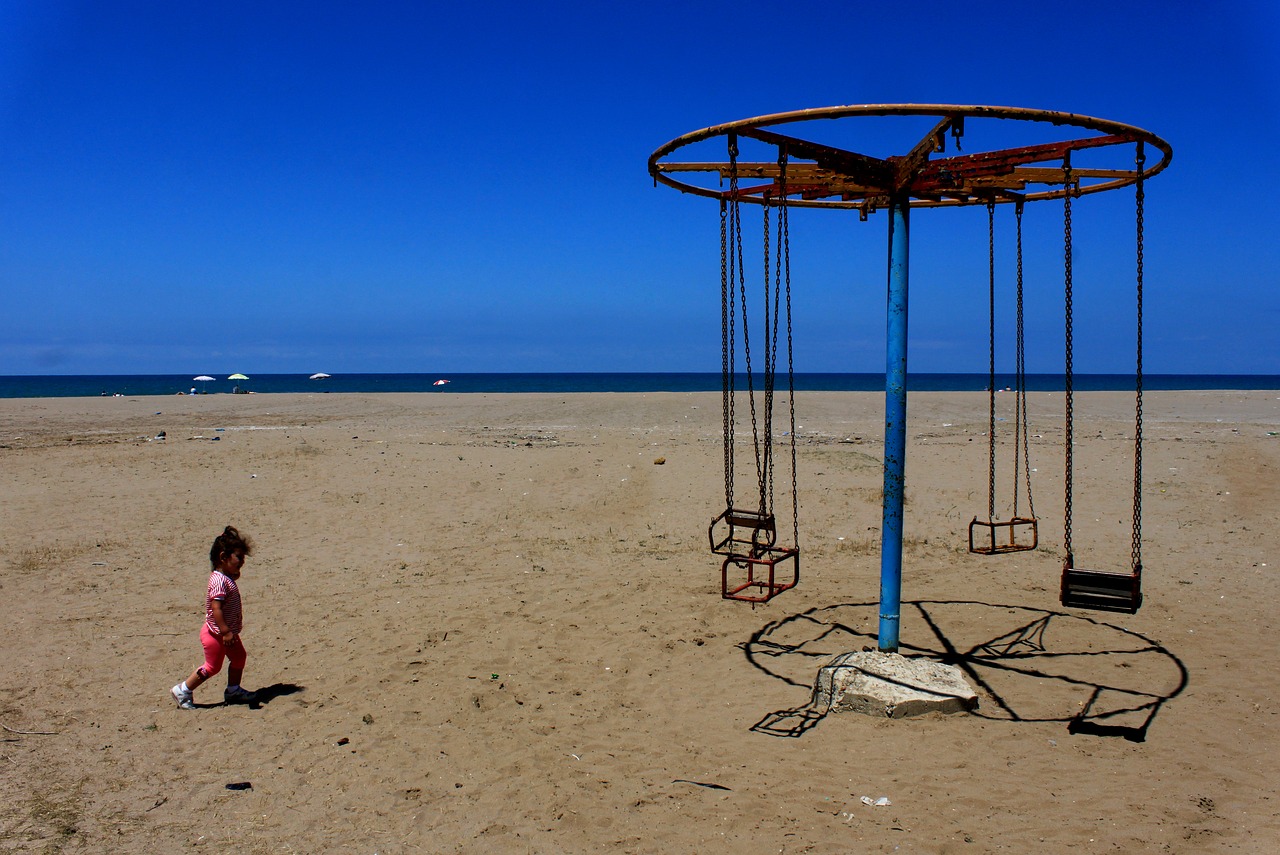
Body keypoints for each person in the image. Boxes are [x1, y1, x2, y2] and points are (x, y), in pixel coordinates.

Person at [171, 526, 258, 709]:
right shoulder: (219, 581)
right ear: (223, 557)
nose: (242, 562)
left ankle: (233, 690)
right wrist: (225, 631)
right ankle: (183, 689)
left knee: (239, 658)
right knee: (212, 667)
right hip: (217, 634)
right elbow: (216, 607)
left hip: (228, 633)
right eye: (239, 558)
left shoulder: (225, 576)